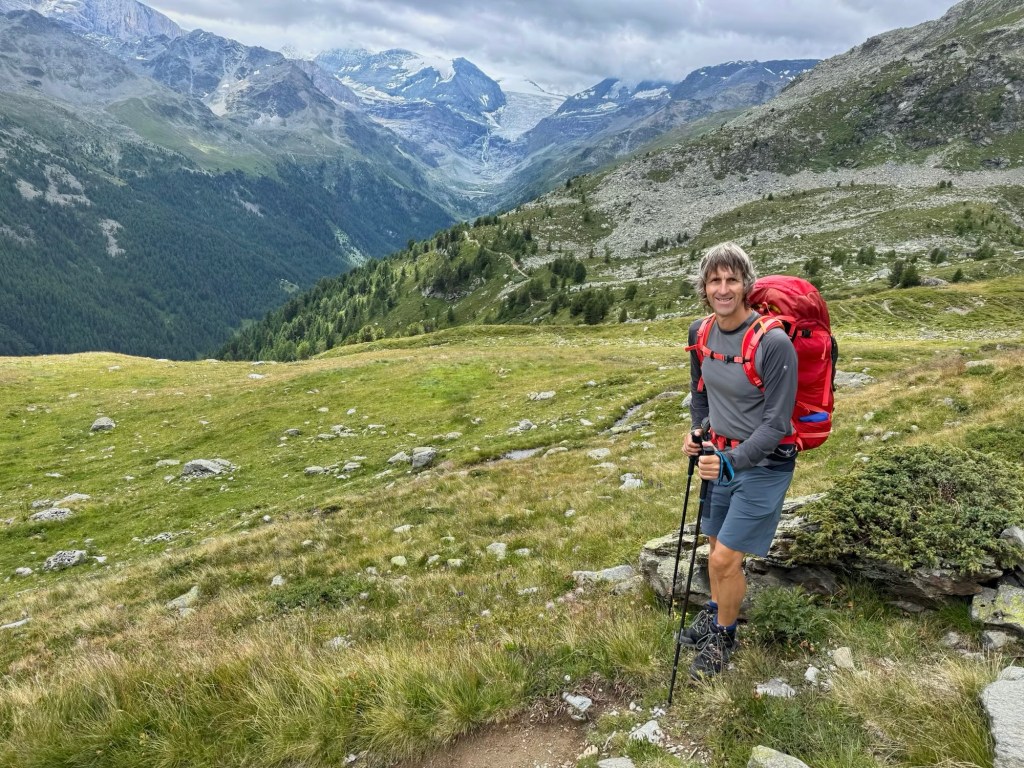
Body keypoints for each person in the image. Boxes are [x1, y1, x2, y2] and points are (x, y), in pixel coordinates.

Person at [681, 241, 798, 680]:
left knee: (723, 559)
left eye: (732, 279)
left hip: (764, 465)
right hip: (720, 456)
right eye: (715, 280)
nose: (723, 288)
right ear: (704, 287)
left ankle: (724, 638)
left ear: (747, 284)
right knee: (716, 550)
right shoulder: (699, 333)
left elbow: (776, 424)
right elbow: (701, 395)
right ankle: (717, 612)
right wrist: (698, 431)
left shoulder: (774, 343)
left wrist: (731, 462)